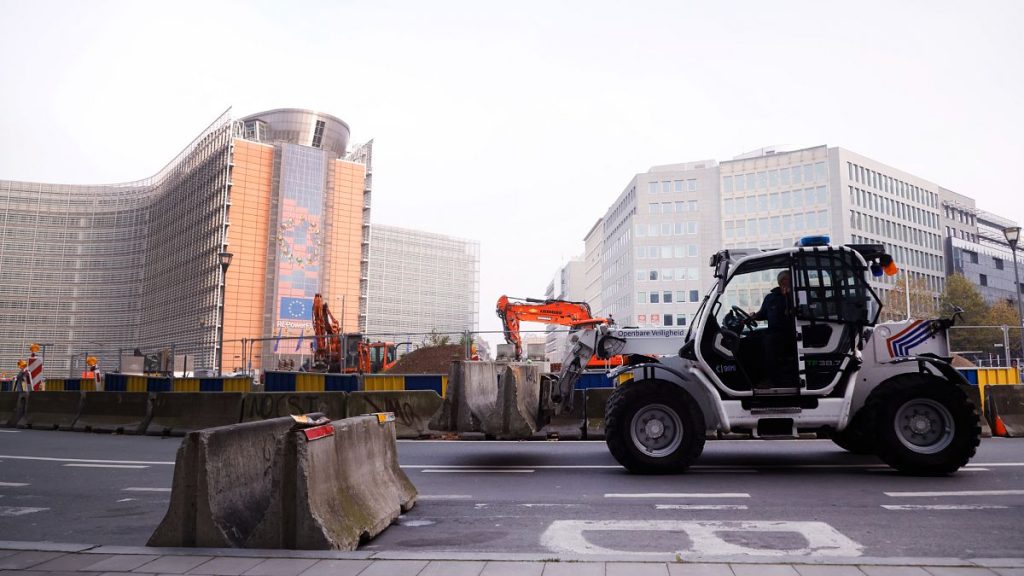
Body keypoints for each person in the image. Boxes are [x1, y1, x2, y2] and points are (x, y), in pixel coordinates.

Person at [751, 270, 796, 387]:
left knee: (769, 342)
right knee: (753, 340)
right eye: (782, 280)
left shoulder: (796, 295)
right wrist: (753, 316)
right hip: (773, 331)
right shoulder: (771, 297)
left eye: (787, 280)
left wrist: (788, 296)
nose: (784, 282)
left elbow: (795, 312)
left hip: (791, 333)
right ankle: (758, 377)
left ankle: (773, 380)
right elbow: (762, 314)